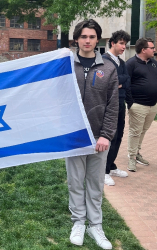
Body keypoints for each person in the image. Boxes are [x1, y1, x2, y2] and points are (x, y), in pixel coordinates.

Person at [66, 19, 118, 249]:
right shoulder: (65, 65)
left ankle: (95, 224)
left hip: (99, 137)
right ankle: (78, 221)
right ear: (76, 39)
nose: (87, 41)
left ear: (98, 40)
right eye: (83, 36)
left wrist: (106, 135)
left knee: (95, 183)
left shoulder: (108, 68)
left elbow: (113, 104)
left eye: (92, 37)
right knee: (75, 182)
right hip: (74, 137)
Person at [125, 38, 157, 172]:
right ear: (143, 50)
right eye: (152, 48)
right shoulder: (131, 64)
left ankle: (137, 152)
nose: (154, 50)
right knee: (135, 132)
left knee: (143, 131)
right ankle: (132, 157)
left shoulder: (153, 63)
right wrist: (130, 104)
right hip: (138, 105)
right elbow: (126, 85)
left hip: (153, 105)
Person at [102, 30, 131, 186]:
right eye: (121, 43)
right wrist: (118, 82)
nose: (123, 46)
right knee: (110, 137)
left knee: (119, 136)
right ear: (112, 43)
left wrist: (120, 82)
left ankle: (111, 165)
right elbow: (109, 82)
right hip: (109, 105)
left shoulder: (122, 63)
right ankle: (104, 171)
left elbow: (126, 81)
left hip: (121, 103)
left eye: (125, 44)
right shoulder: (104, 61)